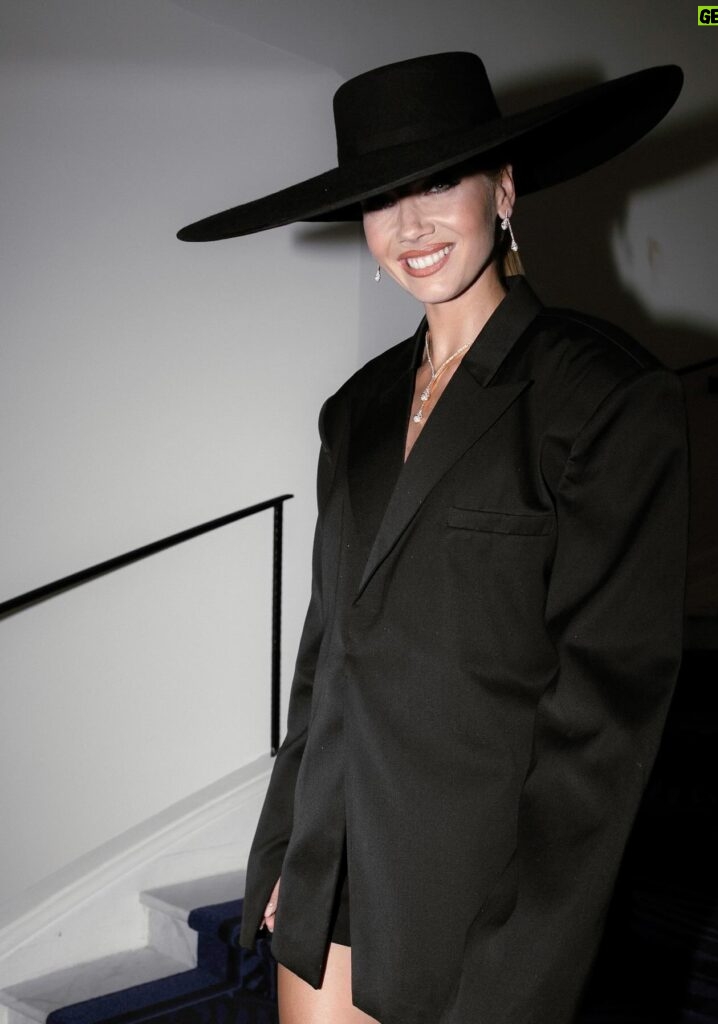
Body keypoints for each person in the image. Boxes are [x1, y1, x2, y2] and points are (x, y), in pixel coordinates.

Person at [178, 52, 689, 1024]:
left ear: (502, 189)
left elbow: (602, 725)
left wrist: (519, 963)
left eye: (436, 183)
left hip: (481, 888)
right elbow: (327, 651)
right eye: (380, 199)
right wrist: (290, 843)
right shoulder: (355, 410)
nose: (407, 226)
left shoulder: (605, 396)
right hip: (336, 863)